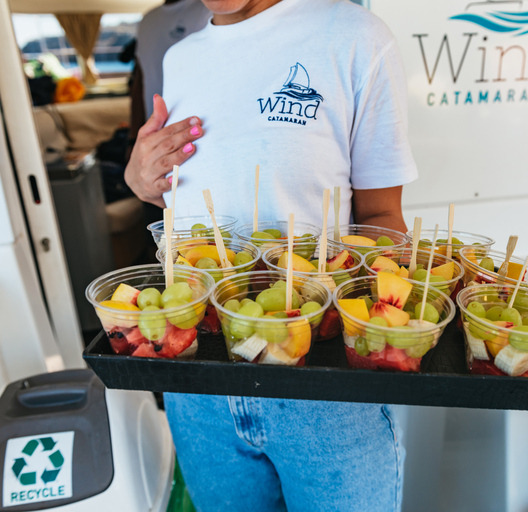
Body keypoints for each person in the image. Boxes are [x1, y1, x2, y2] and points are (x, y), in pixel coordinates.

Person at [124, 0, 417, 510]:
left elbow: (382, 216)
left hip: (324, 387)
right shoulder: (181, 58)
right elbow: (185, 203)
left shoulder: (356, 36)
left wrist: (389, 315)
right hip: (199, 383)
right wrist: (141, 181)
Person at [129, 0, 212, 137]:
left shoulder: (207, 10)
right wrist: (133, 138)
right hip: (154, 136)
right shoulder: (148, 20)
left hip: (195, 133)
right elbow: (140, 79)